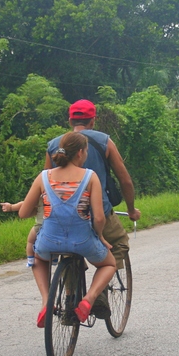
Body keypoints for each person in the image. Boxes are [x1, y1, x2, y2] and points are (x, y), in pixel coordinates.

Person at [45, 99, 141, 317]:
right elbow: (124, 180)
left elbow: (46, 183)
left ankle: (70, 298)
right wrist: (132, 209)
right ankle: (98, 294)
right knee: (118, 244)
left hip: (63, 215)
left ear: (70, 120)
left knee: (67, 251)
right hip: (99, 213)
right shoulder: (103, 141)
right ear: (93, 120)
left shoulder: (55, 145)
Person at [18, 131, 116, 327]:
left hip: (49, 241)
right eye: (86, 151)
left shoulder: (44, 177)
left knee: (38, 258)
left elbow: (23, 213)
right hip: (83, 241)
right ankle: (88, 300)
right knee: (109, 264)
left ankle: (46, 302)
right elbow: (98, 217)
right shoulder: (90, 177)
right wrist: (100, 237)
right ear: (80, 153)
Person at [0, 199, 41, 268]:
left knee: (30, 241)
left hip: (41, 226)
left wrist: (11, 207)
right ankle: (55, 258)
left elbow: (25, 204)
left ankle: (30, 259)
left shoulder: (43, 194)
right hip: (61, 228)